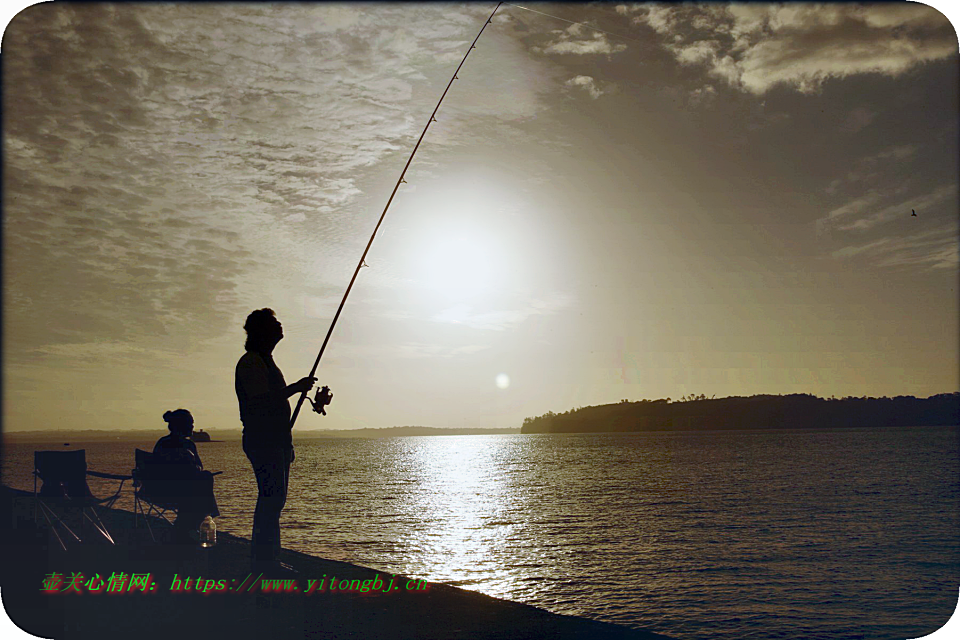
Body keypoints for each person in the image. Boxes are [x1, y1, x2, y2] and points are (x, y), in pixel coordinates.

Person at [235, 308, 316, 571]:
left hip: (276, 440)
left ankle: (267, 557)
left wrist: (287, 443)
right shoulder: (251, 362)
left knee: (275, 499)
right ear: (261, 332)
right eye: (274, 324)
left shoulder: (266, 361)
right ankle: (264, 560)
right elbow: (261, 401)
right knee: (271, 498)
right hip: (263, 439)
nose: (280, 326)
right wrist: (296, 388)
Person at [152, 409, 220, 543]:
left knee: (202, 481)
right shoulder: (186, 445)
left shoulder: (163, 443)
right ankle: (201, 521)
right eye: (190, 423)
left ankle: (187, 526)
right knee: (205, 478)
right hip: (176, 492)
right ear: (181, 425)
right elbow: (199, 467)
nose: (192, 427)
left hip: (161, 491)